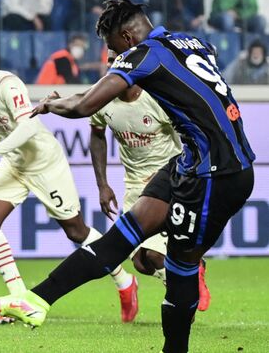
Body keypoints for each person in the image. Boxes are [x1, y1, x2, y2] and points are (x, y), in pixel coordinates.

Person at [0, 0, 255, 353]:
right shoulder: (190, 41)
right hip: (190, 160)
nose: (112, 57)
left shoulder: (142, 56)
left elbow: (83, 106)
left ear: (126, 36)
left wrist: (47, 105)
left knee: (180, 264)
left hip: (217, 174)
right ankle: (36, 300)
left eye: (112, 48)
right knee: (121, 239)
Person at [0, 37, 139, 324]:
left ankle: (124, 280)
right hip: (15, 162)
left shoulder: (8, 85)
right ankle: (18, 298)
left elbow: (28, 127)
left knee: (76, 231)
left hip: (43, 162)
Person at [90, 50, 210, 311]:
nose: (113, 65)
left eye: (118, 60)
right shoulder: (102, 98)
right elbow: (97, 134)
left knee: (156, 255)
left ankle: (186, 294)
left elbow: (191, 134)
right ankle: (189, 280)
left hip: (166, 181)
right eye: (109, 61)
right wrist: (102, 184)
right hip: (133, 184)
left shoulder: (156, 97)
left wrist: (186, 172)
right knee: (141, 262)